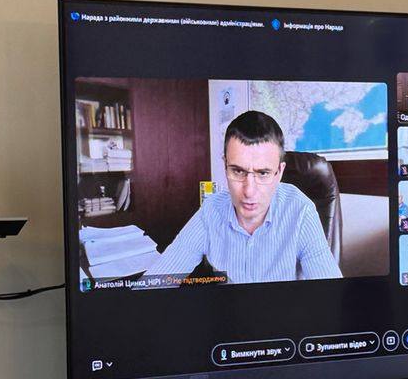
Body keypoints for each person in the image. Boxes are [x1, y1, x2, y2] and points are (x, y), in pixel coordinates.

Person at [141, 110, 342, 284]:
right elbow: (159, 279)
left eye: (263, 173)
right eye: (238, 171)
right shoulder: (211, 210)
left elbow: (330, 293)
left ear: (279, 172)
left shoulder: (300, 210)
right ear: (225, 166)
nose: (249, 191)